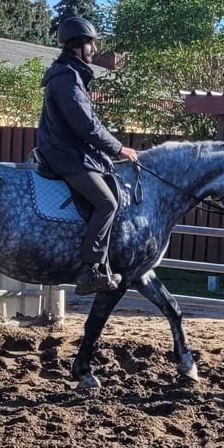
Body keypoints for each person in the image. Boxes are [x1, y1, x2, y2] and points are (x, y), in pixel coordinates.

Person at [36, 16, 139, 296]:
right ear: (78, 46)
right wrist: (118, 148)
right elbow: (86, 125)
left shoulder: (71, 75)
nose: (94, 49)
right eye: (91, 44)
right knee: (106, 203)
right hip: (66, 155)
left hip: (70, 151)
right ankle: (89, 270)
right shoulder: (68, 78)